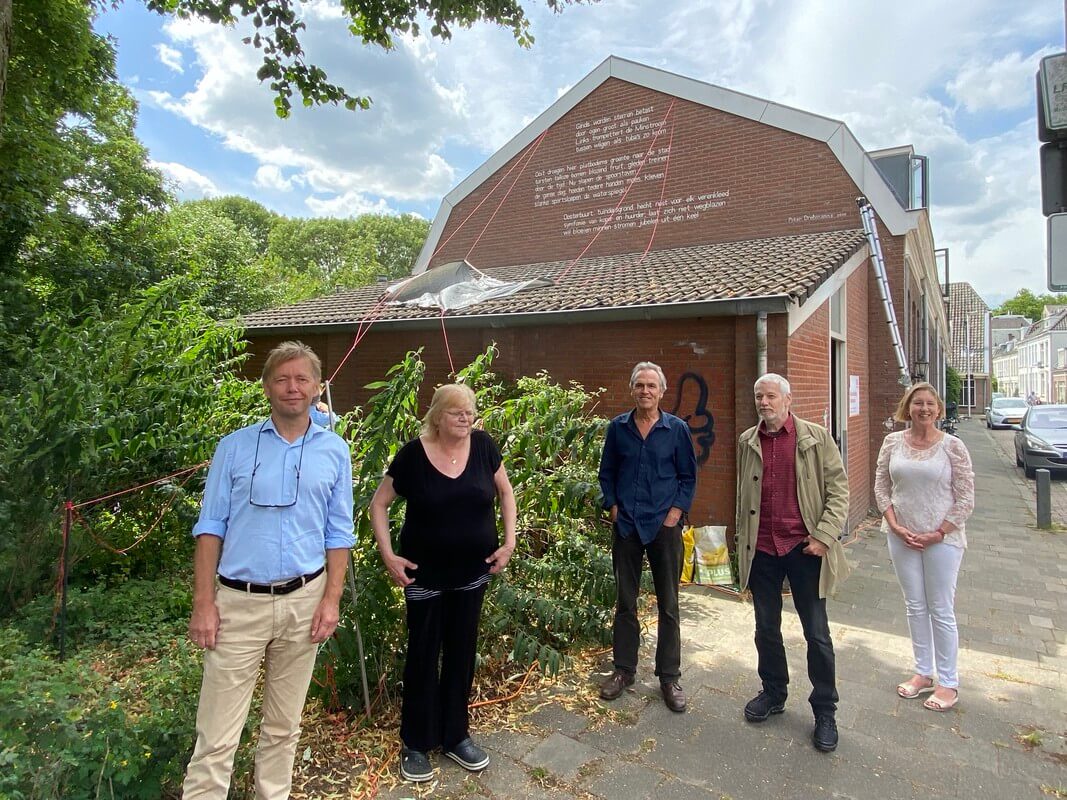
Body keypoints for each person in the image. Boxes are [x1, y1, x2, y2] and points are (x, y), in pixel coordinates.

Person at [183, 342, 354, 799]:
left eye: (302, 379)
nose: (292, 387)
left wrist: (331, 599)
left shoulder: (335, 451)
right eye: (281, 378)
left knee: (284, 727)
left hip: (305, 601)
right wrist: (204, 604)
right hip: (238, 604)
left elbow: (339, 532)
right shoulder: (234, 447)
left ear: (317, 386)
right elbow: (210, 528)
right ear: (266, 387)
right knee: (217, 736)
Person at [369, 384, 517, 783]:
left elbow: (506, 492)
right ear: (437, 415)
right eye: (457, 413)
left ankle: (455, 735)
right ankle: (415, 742)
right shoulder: (413, 456)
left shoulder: (484, 447)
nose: (466, 419)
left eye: (470, 412)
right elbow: (378, 505)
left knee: (461, 653)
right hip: (425, 575)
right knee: (422, 653)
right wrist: (388, 554)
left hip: (473, 573)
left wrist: (509, 542)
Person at [735, 373, 850, 753]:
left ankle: (824, 710)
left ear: (787, 400)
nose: (763, 402)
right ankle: (773, 692)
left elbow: (838, 490)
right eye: (758, 396)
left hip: (804, 550)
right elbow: (742, 497)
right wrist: (741, 544)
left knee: (816, 633)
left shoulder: (816, 438)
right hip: (763, 551)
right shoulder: (747, 441)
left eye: (770, 396)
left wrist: (823, 536)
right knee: (765, 628)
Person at [597, 362, 697, 713]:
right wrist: (611, 506)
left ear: (661, 391)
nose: (645, 391)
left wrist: (674, 514)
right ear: (631, 389)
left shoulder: (677, 430)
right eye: (639, 385)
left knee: (669, 604)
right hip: (626, 527)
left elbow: (688, 477)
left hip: (662, 528)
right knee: (626, 602)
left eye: (651, 386)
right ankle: (623, 671)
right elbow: (605, 474)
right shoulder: (618, 429)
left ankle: (669, 677)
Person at [875, 382, 974, 712]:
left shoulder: (953, 447)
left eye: (930, 403)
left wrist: (939, 532)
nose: (924, 409)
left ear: (939, 409)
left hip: (941, 540)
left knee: (941, 608)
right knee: (914, 605)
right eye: (918, 403)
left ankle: (948, 682)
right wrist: (893, 524)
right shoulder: (892, 443)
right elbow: (881, 486)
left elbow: (965, 497)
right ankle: (923, 672)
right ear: (908, 407)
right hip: (901, 535)